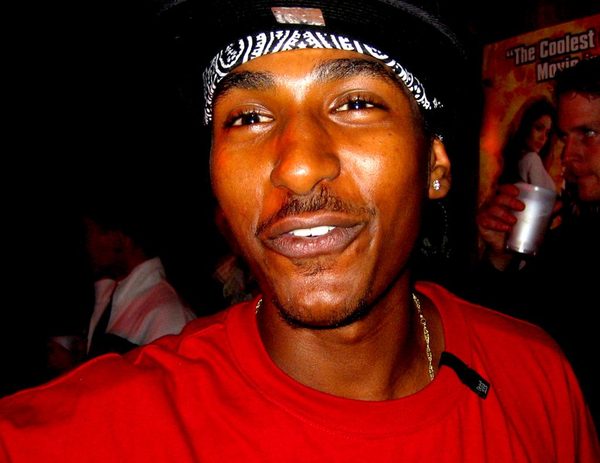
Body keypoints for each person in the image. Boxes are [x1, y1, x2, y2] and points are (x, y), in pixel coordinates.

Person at [1, 1, 598, 460]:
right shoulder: (101, 432)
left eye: (356, 103)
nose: (297, 165)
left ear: (434, 166)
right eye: (248, 117)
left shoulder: (535, 380)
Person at [469, 55, 600, 426]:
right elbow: (507, 337)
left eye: (588, 134)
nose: (568, 155)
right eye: (564, 137)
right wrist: (499, 257)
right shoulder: (570, 237)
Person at [81, 200, 197, 359]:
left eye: (89, 234)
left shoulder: (166, 312)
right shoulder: (109, 297)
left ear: (118, 237)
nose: (87, 245)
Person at [497, 96, 557, 190]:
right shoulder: (533, 159)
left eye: (547, 133)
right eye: (538, 128)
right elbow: (539, 198)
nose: (543, 138)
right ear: (525, 126)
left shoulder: (515, 163)